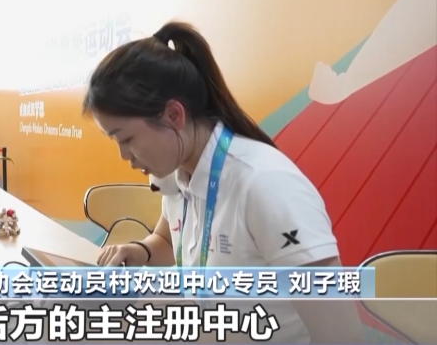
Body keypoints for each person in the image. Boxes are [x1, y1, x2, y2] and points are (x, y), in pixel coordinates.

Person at [84, 21, 364, 343]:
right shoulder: (175, 170)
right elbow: (169, 240)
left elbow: (343, 336)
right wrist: (140, 251)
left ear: (174, 115)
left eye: (126, 139)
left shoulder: (265, 185)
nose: (124, 156)